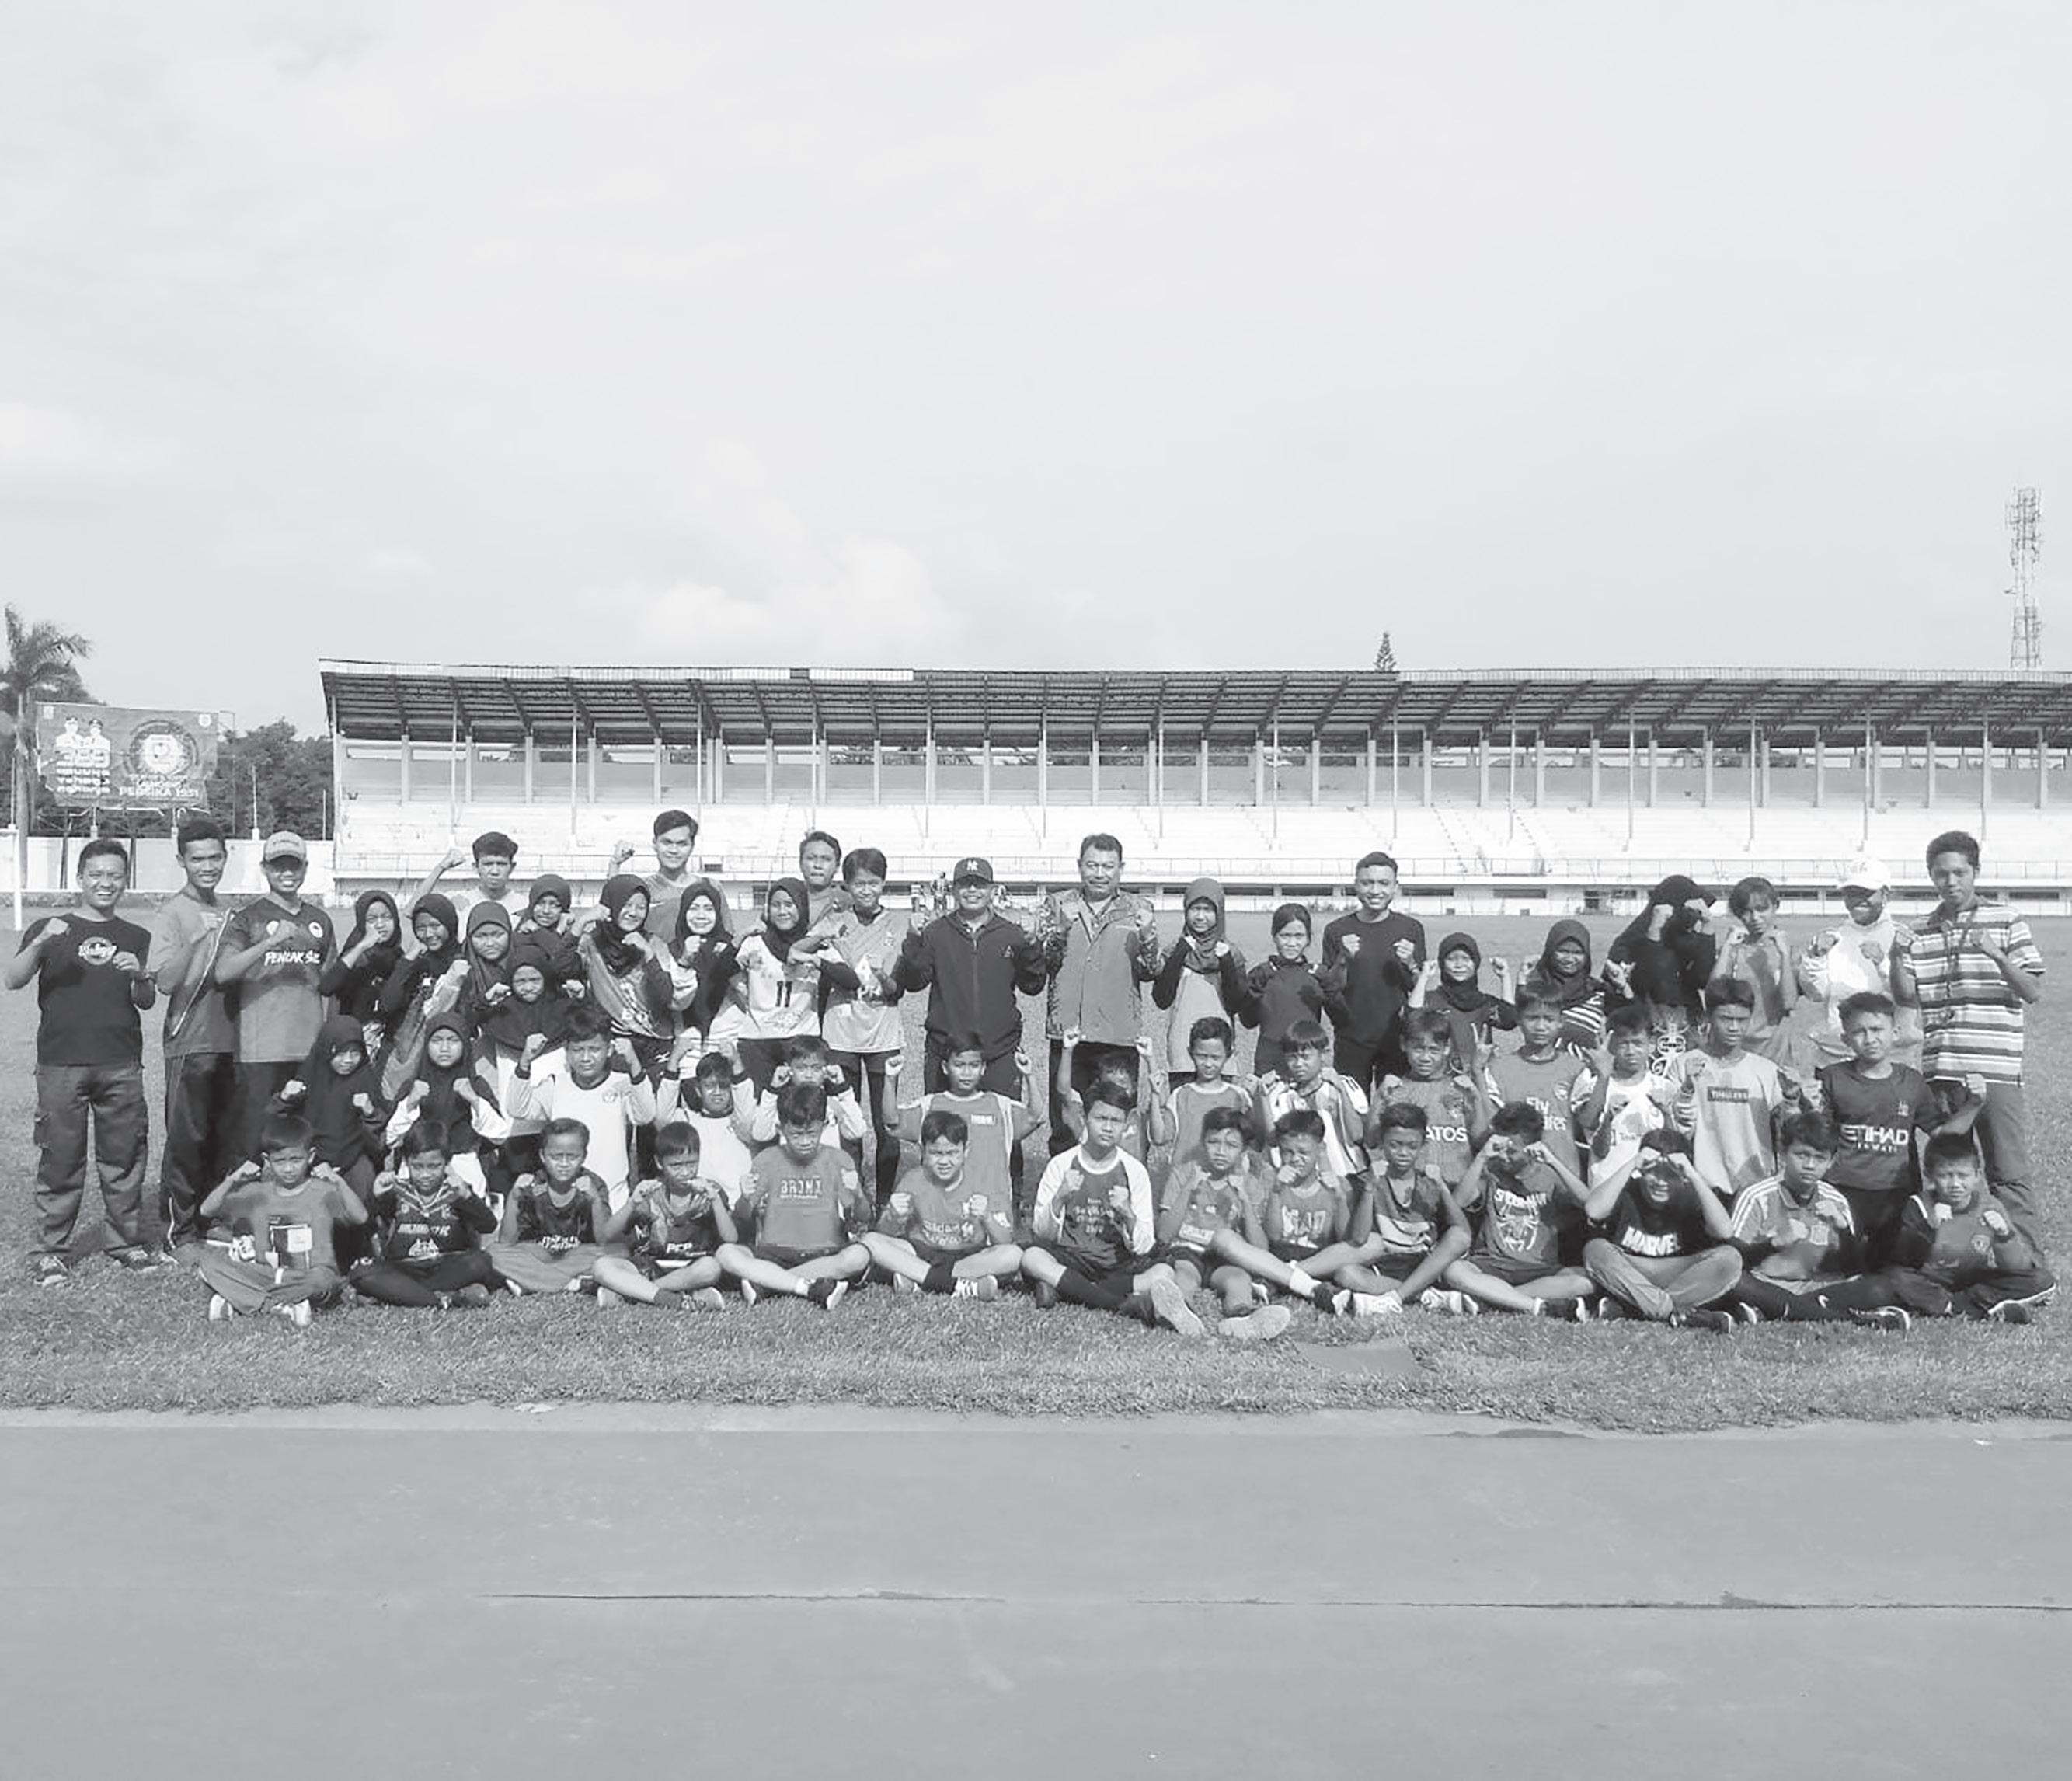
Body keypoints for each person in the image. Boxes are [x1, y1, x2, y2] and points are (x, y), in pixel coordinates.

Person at [6, 837, 161, 1284]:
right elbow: (12, 979)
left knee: (124, 1157)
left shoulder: (136, 936)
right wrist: (41, 942)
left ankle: (125, 1243)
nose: (105, 883)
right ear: (80, 878)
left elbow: (146, 1000)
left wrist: (140, 976)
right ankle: (50, 1250)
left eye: (114, 875)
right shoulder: (49, 927)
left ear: (125, 881)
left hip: (120, 1062)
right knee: (60, 1158)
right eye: (96, 874)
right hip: (61, 1063)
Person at [1894, 830, 2046, 1253]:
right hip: (1942, 1071)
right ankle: (1956, 1258)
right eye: (1941, 874)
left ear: (1975, 872)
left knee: (2007, 1172)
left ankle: (2026, 1264)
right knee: (1948, 1173)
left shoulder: (2007, 920)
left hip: (1995, 1069)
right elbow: (1906, 997)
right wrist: (1894, 956)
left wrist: (1996, 955)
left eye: (1959, 872)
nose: (1951, 882)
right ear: (1931, 876)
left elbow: (2032, 991)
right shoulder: (1920, 930)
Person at [1021, 1079, 1203, 1335]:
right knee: (1032, 1257)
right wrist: (1060, 1197)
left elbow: (1145, 1245)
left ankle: (1065, 1289)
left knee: (1163, 1272)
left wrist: (1128, 1214)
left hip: (1117, 1266)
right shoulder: (1061, 1165)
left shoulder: (1134, 1171)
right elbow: (1042, 1232)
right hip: (1072, 1258)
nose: (1107, 1128)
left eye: (1115, 1121)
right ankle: (1125, 1305)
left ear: (1126, 1125)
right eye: (1100, 1118)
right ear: (1085, 1118)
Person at [1825, 1134, 2057, 1330]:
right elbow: (1902, 1260)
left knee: (2042, 1280)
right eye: (1946, 1176)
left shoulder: (1990, 1207)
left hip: (1966, 1281)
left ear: (1977, 1175)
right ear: (1930, 1176)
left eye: (1963, 1176)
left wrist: (2005, 1235)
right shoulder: (1918, 1205)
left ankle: (1953, 1306)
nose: (1955, 1184)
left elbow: (2016, 1267)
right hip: (1925, 1279)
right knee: (1892, 1279)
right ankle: (1977, 1309)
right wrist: (1930, 1227)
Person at [1034, 834, 1161, 1154]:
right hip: (1068, 1034)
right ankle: (1066, 1184)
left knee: (1116, 1124)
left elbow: (1151, 971)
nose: (1100, 874)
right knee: (1066, 1125)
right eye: (1092, 866)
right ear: (1080, 866)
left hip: (1117, 1037)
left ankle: (1118, 1182)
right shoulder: (1057, 904)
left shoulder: (1139, 909)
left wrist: (1148, 937)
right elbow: (1041, 963)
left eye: (1108, 866)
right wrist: (1061, 929)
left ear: (1121, 868)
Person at [214, 831, 336, 1159]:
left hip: (308, 1048)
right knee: (255, 1141)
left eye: (294, 865)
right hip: (260, 1049)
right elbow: (223, 972)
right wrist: (270, 942)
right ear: (264, 869)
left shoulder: (320, 920)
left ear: (305, 868)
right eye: (278, 865)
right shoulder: (248, 919)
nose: (287, 873)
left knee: (305, 1139)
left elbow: (330, 981)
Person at [149, 815, 239, 1253]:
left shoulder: (230, 910)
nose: (207, 866)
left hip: (232, 1041)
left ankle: (210, 1219)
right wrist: (197, 940)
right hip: (190, 1042)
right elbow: (165, 982)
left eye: (214, 858)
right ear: (181, 861)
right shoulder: (172, 913)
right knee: (187, 1140)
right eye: (197, 859)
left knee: (223, 1137)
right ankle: (178, 1232)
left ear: (226, 857)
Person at [1207, 1110, 1394, 1316]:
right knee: (1223, 1238)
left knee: (1374, 1243)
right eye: (1288, 1152)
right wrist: (1276, 1192)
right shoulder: (1269, 1180)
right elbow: (1272, 1237)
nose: (1296, 1159)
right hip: (1275, 1255)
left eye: (1304, 1153)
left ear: (1320, 1149)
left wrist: (1340, 1198)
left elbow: (1346, 1240)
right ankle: (1299, 1282)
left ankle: (1283, 1277)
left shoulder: (1338, 1185)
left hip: (1321, 1260)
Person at [1814, 991, 1949, 1266]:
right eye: (1859, 1032)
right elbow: (1816, 1135)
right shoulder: (1833, 1078)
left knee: (1896, 1265)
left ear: (1895, 1033)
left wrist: (1973, 1106)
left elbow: (1941, 1134)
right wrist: (1799, 1103)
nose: (1870, 1039)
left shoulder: (1912, 1082)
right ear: (1846, 1039)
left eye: (1877, 1030)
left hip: (1896, 1191)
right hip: (1844, 1188)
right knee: (1836, 1264)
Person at [893, 856, 1047, 1095]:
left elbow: (1033, 985)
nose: (973, 890)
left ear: (993, 890)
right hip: (947, 1053)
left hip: (999, 1052)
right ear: (954, 889)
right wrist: (913, 940)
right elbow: (914, 983)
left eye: (980, 884)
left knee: (1001, 1118)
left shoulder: (1011, 934)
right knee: (943, 1119)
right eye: (965, 884)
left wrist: (1032, 946)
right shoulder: (936, 933)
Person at [196, 1114, 368, 1326]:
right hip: (268, 1274)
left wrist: (338, 1181)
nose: (288, 1169)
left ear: (311, 1157)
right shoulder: (256, 1194)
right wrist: (232, 1180)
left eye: (296, 1160)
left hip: (310, 1276)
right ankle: (280, 1306)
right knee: (209, 1264)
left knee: (322, 1281)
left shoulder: (323, 1192)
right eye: (279, 1161)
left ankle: (243, 1300)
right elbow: (207, 1210)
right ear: (267, 1161)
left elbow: (360, 1217)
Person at [716, 1083, 871, 1308]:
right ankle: (807, 1286)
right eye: (796, 1135)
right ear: (781, 1129)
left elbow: (862, 1218)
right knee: (725, 1253)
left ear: (824, 1126)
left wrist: (858, 1194)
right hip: (773, 1253)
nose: (805, 1141)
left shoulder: (838, 1159)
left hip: (824, 1253)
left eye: (812, 1133)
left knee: (859, 1256)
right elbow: (743, 1216)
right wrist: (745, 1198)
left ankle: (768, 1282)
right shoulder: (767, 1159)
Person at [1440, 1102, 1597, 1317]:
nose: (1504, 1156)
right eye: (1501, 1149)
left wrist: (1553, 1161)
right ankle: (1534, 1306)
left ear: (1533, 1147)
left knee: (1585, 1280)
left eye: (1512, 1151)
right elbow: (1459, 1203)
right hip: (1492, 1264)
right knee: (1454, 1270)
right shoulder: (1490, 1171)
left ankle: (1492, 1298)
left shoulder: (1550, 1176)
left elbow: (1588, 1204)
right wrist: (1482, 1157)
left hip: (1539, 1269)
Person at [1579, 1129, 1743, 1329]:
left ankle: (1632, 1308)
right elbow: (1593, 1210)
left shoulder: (1692, 1194)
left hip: (1678, 1274)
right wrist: (1632, 1163)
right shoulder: (1626, 1188)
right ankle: (1673, 1312)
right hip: (1631, 1272)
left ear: (1682, 1175)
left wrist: (1693, 1174)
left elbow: (1725, 1231)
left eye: (1670, 1175)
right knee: (1595, 1249)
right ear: (1642, 1170)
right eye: (1654, 1173)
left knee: (1730, 1258)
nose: (1660, 1182)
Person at [818, 847, 909, 1203]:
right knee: (847, 1118)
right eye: (859, 884)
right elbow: (812, 955)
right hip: (840, 1034)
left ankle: (884, 1199)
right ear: (847, 885)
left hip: (883, 1035)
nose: (866, 890)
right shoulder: (834, 921)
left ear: (884, 883)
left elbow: (903, 979)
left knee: (887, 1123)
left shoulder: (899, 923)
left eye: (873, 883)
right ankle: (852, 1198)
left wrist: (889, 982)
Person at [1154, 1106, 1291, 1339]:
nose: (1220, 1152)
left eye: (1231, 1146)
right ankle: (1181, 1311)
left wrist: (1245, 1201)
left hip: (1223, 1256)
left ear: (1244, 1150)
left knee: (1239, 1279)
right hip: (1187, 1250)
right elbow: (1164, 1235)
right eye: (1213, 1142)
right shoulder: (1183, 1173)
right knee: (1185, 1274)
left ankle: (1242, 1318)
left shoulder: (1249, 1184)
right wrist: (1188, 1189)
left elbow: (1260, 1248)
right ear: (1202, 1142)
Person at [508, 1003, 659, 1211]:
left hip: (613, 1200)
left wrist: (634, 1064)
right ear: (566, 1051)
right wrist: (525, 1062)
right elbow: (517, 1108)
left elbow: (645, 1115)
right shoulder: (555, 1085)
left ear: (609, 1049)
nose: (586, 1058)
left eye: (594, 1049)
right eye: (578, 1050)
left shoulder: (622, 1082)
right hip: (565, 1203)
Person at [862, 1110, 1024, 1299]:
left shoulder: (982, 1181)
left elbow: (1005, 1241)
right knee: (870, 1241)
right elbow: (883, 1234)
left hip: (968, 1255)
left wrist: (987, 1217)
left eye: (952, 1153)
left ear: (966, 1150)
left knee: (1013, 1255)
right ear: (923, 1150)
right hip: (921, 1251)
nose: (944, 1162)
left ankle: (919, 1279)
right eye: (936, 1153)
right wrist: (892, 1215)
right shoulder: (913, 1179)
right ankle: (961, 1286)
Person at [883, 1036, 1042, 1224]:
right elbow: (893, 1121)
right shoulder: (931, 1105)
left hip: (992, 1214)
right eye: (959, 1065)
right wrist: (890, 1079)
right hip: (942, 1219)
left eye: (974, 1065)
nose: (967, 1073)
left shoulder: (1000, 1106)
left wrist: (1029, 1076)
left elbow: (1035, 1117)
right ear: (945, 1067)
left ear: (983, 1068)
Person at [1331, 1103, 1472, 1314]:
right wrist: (1369, 1189)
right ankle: (1425, 1295)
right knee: (1346, 1274)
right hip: (1384, 1264)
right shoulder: (1365, 1181)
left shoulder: (1429, 1183)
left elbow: (1464, 1235)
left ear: (1423, 1145)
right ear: (1382, 1143)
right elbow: (1359, 1238)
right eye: (1395, 1145)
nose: (1403, 1153)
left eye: (1412, 1146)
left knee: (1457, 1237)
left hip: (1424, 1264)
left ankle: (1394, 1297)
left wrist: (1443, 1189)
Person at [1726, 1110, 1860, 1323]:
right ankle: (1837, 1316)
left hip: (1817, 1287)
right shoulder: (1756, 1196)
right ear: (1783, 1153)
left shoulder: (1836, 1201)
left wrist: (1843, 1229)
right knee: (1736, 1282)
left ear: (1832, 1161)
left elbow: (1852, 1267)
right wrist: (1774, 1244)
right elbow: (1732, 1260)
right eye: (1802, 1155)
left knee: (1875, 1286)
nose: (1810, 1165)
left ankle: (1776, 1310)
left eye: (1820, 1158)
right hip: (1766, 1285)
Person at [350, 1119, 500, 1309]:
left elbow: (489, 1225)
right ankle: (443, 1299)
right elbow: (363, 1224)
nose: (425, 1175)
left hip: (447, 1265)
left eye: (434, 1166)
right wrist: (375, 1197)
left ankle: (399, 1295)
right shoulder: (396, 1192)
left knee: (481, 1261)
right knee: (360, 1270)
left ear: (447, 1162)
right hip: (404, 1268)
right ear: (407, 1162)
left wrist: (467, 1197)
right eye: (417, 1167)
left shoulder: (456, 1191)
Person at [592, 1122, 738, 1310]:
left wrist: (716, 1201)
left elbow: (731, 1239)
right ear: (660, 1163)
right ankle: (677, 1297)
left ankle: (635, 1292)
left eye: (691, 1163)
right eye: (676, 1166)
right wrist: (631, 1204)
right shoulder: (651, 1192)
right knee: (601, 1266)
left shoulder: (710, 1191)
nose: (685, 1172)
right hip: (650, 1266)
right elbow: (607, 1235)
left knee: (711, 1268)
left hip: (692, 1266)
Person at [1666, 979, 1789, 1196]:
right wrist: (1687, 1088)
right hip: (1701, 1187)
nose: (1734, 1028)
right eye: (1726, 1019)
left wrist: (1795, 1100)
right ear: (1708, 1018)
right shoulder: (1685, 1065)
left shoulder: (1766, 1071)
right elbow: (1675, 1128)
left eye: (1741, 1020)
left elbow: (1786, 1131)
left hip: (1756, 1188)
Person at [1319, 851, 1426, 1089]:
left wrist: (1411, 963)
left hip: (1398, 1038)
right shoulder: (1336, 930)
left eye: (1384, 883)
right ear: (1356, 885)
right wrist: (1343, 959)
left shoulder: (1411, 928)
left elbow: (1419, 988)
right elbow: (1331, 987)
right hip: (1351, 1037)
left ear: (1395, 887)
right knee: (1352, 1106)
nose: (1375, 890)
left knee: (1394, 1107)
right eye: (1367, 883)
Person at [1798, 856, 1918, 1065]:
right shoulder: (1833, 938)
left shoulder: (1904, 938)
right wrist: (1816, 959)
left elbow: (1909, 997)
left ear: (1885, 894)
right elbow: (1816, 994)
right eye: (1851, 893)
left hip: (1890, 1060)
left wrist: (1883, 963)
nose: (1858, 900)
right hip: (1835, 1056)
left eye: (1866, 892)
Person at [489, 1117, 614, 1295]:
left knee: (613, 1254)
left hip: (579, 1254)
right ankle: (572, 1283)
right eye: (556, 1157)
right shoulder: (533, 1185)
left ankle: (533, 1282)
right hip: (541, 1255)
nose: (564, 1164)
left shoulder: (594, 1185)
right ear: (543, 1156)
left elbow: (604, 1241)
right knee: (494, 1252)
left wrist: (595, 1202)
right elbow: (506, 1242)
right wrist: (513, 1199)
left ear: (584, 1156)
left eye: (572, 1157)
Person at [1374, 1008, 1488, 1197]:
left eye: (1434, 1050)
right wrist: (1378, 1098)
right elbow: (1372, 1140)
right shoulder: (1395, 1090)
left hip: (1458, 1189)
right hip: (1412, 1193)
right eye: (1418, 1049)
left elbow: (1480, 1140)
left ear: (1447, 1048)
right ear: (1403, 1045)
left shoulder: (1461, 1089)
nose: (1425, 1058)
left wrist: (1476, 1099)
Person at [1486, 979, 1591, 1183]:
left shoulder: (1576, 1068)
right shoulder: (1499, 1068)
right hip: (1510, 1183)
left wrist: (1603, 1078)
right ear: (1519, 1019)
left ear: (1561, 1021)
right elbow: (1490, 1127)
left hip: (1563, 1180)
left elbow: (1588, 1123)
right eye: (1533, 1018)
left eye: (1549, 1019)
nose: (1541, 1026)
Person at [732, 877, 831, 1092]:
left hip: (802, 1036)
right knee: (760, 1103)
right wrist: (739, 940)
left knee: (802, 1103)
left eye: (789, 904)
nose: (782, 911)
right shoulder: (754, 943)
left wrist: (817, 957)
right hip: (756, 1039)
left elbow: (848, 979)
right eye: (776, 905)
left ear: (802, 906)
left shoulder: (817, 944)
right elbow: (723, 971)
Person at [576, 875, 678, 1079]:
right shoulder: (590, 943)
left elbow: (668, 996)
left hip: (657, 1040)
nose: (633, 913)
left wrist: (648, 955)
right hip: (615, 1042)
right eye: (626, 905)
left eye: (641, 907)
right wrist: (580, 922)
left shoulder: (654, 943)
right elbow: (560, 968)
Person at [1151, 878, 1246, 1087]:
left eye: (1208, 910)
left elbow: (1236, 1004)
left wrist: (1226, 963)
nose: (1200, 917)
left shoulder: (1231, 953)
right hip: (1182, 1052)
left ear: (1219, 913)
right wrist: (1180, 954)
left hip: (1219, 1054)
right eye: (1195, 909)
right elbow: (1162, 999)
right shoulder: (1174, 950)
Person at [374, 893, 468, 1100]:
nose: (428, 934)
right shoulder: (416, 963)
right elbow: (387, 1005)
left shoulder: (463, 963)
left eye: (435, 926)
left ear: (450, 924)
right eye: (421, 928)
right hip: (408, 1053)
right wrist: (407, 961)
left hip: (448, 1054)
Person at [1253, 1019, 1370, 1184]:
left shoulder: (1342, 1086)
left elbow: (1357, 1135)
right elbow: (1273, 1140)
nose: (1298, 1064)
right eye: (1292, 1058)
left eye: (1305, 1057)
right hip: (1301, 1182)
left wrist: (1342, 1092)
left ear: (1323, 1055)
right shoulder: (1281, 1094)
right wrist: (1263, 1097)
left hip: (1345, 1176)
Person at [1572, 1002, 1672, 1182]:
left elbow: (1675, 1143)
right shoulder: (1594, 1085)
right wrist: (1603, 1077)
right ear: (1611, 1046)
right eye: (1623, 1044)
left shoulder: (1665, 1088)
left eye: (1638, 1043)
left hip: (1650, 1183)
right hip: (1607, 1183)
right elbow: (1587, 1122)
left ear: (1651, 1044)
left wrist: (1666, 1112)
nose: (1630, 1052)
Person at [1711, 876, 1799, 1069]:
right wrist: (1726, 948)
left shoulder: (1788, 950)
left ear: (1775, 906)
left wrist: (1784, 956)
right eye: (1747, 912)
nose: (1755, 918)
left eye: (1762, 909)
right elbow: (1713, 995)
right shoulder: (1733, 949)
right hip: (1734, 1043)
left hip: (1774, 1046)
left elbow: (1789, 1002)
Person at [1606, 876, 1719, 1027]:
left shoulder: (1687, 941)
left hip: (1687, 1025)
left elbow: (1703, 979)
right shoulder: (1630, 943)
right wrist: (1654, 933)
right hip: (1641, 1025)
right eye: (1689, 911)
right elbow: (1645, 983)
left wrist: (1708, 927)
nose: (1693, 918)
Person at [1237, 903, 1326, 1079]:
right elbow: (1248, 1021)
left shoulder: (1318, 975)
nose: (1292, 943)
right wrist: (1253, 992)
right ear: (1274, 936)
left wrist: (1335, 978)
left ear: (1309, 938)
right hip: (1270, 1059)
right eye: (1285, 936)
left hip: (1306, 1058)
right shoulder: (1262, 974)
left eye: (1299, 936)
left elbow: (1340, 1018)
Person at [739, 1035, 870, 1152]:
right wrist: (772, 1092)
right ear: (789, 1068)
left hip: (826, 1168)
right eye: (801, 1068)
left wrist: (843, 1090)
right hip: (791, 1168)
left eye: (816, 1068)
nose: (809, 1075)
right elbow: (761, 1135)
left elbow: (857, 1132)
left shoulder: (834, 1102)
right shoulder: (781, 1102)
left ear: (826, 1069)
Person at [1409, 931, 1516, 1071]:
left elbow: (1509, 1020)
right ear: (1442, 963)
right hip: (1441, 1075)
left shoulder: (1484, 1003)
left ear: (1476, 963)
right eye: (1452, 959)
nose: (1459, 965)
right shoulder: (1433, 1000)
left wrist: (1505, 977)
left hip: (1479, 1075)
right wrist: (1424, 977)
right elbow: (1412, 1017)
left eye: (1466, 959)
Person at [1161, 1016, 1252, 1180]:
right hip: (1184, 1180)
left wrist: (1260, 1098)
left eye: (1215, 1057)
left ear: (1229, 1055)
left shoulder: (1239, 1097)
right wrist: (1155, 1095)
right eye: (1202, 1056)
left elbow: (1256, 1142)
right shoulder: (1180, 1095)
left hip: (1228, 1182)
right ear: (1190, 1053)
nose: (1208, 1064)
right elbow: (1160, 1137)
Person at [608, 808, 719, 942]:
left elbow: (726, 937)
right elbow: (613, 914)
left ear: (692, 846)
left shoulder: (711, 887)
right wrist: (614, 864)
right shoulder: (642, 889)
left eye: (682, 844)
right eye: (667, 842)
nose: (674, 850)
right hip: (650, 955)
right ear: (655, 844)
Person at [319, 889, 406, 1045]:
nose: (380, 925)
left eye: (387, 917)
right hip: (353, 1041)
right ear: (361, 923)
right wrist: (362, 946)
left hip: (387, 1041)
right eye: (372, 920)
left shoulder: (399, 956)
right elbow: (326, 987)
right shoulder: (355, 957)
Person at [1525, 918, 1609, 1053]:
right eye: (1563, 951)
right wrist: (1517, 978)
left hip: (1587, 1065)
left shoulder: (1596, 992)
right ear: (1550, 951)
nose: (1570, 959)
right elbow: (1511, 1019)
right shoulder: (1536, 990)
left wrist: (1623, 987)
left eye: (1578, 953)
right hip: (1542, 1064)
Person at [408, 830, 525, 921]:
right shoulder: (458, 902)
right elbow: (412, 910)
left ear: (512, 867)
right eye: (488, 864)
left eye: (501, 864)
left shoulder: (524, 906)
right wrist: (440, 868)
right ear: (475, 867)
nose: (495, 871)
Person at [797, 829, 850, 928]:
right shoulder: (785, 902)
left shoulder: (849, 905)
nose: (818, 865)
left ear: (837, 866)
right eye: (811, 858)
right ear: (800, 863)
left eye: (826, 859)